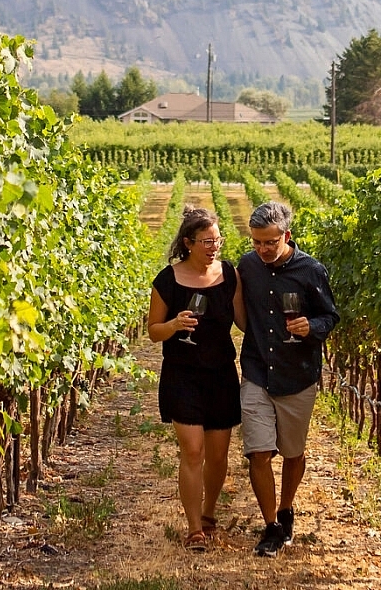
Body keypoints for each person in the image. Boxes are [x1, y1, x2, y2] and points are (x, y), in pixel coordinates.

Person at [233, 201, 339, 557]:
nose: (262, 249)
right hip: (257, 372)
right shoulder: (247, 266)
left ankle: (286, 507)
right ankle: (271, 527)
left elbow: (330, 316)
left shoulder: (311, 270)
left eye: (270, 242)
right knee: (258, 453)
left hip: (298, 375)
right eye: (256, 242)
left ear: (286, 236)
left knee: (293, 453)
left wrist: (312, 327)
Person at [146, 207, 242, 550]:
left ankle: (209, 513)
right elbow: (153, 331)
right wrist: (173, 326)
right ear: (188, 243)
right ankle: (193, 529)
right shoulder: (167, 280)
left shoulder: (229, 275)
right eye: (207, 241)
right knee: (193, 452)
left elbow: (243, 321)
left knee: (218, 456)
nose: (214, 246)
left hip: (221, 375)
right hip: (182, 376)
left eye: (217, 240)